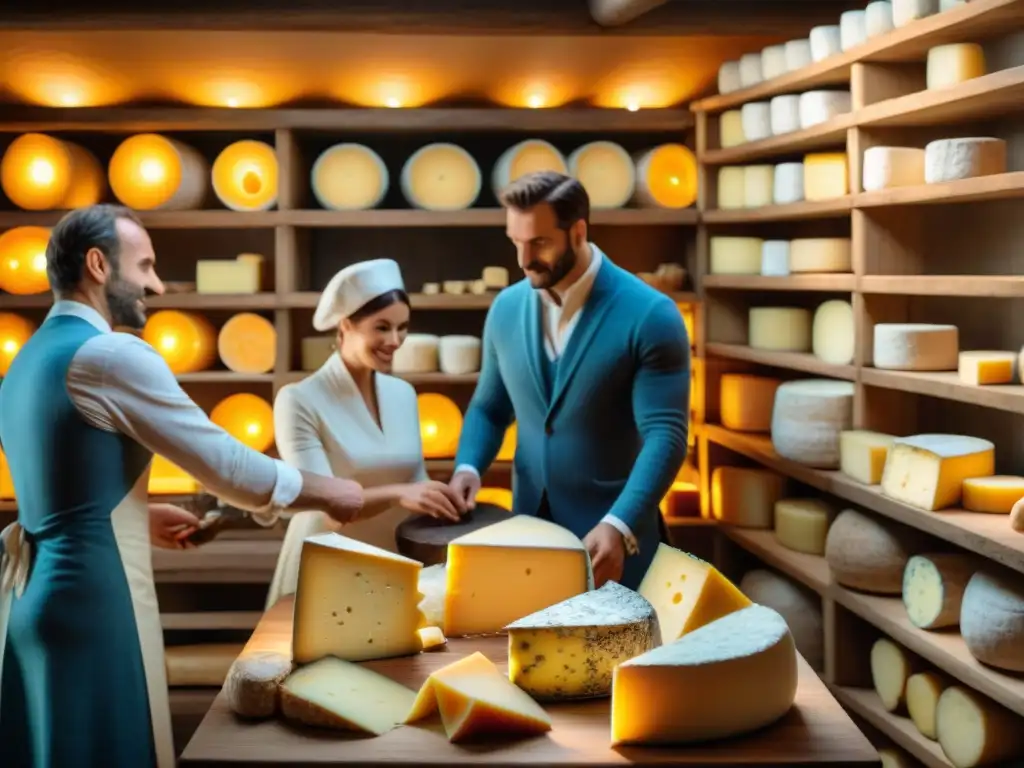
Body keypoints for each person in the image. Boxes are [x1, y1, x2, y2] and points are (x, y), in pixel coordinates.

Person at [0, 204, 372, 768]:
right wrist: (327, 491)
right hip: (95, 601)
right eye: (145, 265)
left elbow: (55, 484)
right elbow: (224, 463)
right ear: (98, 265)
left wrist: (136, 515)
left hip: (32, 602)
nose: (155, 282)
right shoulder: (109, 355)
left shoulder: (26, 358)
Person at [449, 171, 690, 591]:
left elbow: (666, 436)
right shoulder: (505, 308)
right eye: (515, 242)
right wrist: (468, 466)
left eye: (538, 242)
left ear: (578, 232)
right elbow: (490, 408)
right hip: (528, 541)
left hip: (613, 543)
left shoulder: (652, 314)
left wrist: (620, 524)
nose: (523, 260)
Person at [265, 259, 466, 609]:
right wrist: (400, 493)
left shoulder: (403, 393)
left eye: (402, 328)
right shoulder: (298, 400)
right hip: (328, 566)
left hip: (395, 562)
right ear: (346, 326)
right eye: (382, 328)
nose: (395, 340)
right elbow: (323, 504)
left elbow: (414, 481)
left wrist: (445, 498)